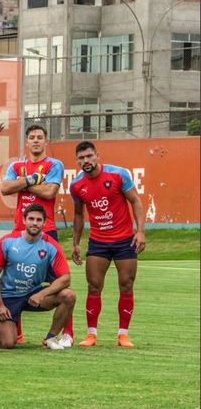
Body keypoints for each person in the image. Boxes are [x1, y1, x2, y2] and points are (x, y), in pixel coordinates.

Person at [0, 124, 73, 347]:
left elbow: (50, 192)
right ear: (26, 141)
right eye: (32, 137)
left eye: (40, 137)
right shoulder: (16, 165)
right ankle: (17, 333)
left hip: (46, 229)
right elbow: (4, 188)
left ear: (46, 141)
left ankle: (67, 333)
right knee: (14, 282)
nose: (36, 141)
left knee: (59, 284)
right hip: (18, 231)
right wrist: (33, 180)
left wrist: (22, 184)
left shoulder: (54, 164)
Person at [70, 141, 145, 348]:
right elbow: (78, 215)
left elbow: (135, 201)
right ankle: (91, 335)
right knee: (93, 287)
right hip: (98, 242)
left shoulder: (118, 175)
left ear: (97, 155)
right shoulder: (76, 185)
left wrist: (140, 231)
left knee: (126, 285)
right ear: (77, 161)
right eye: (81, 158)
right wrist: (75, 243)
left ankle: (123, 335)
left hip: (124, 240)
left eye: (89, 156)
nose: (86, 161)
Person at [0, 204, 76, 350]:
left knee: (69, 295)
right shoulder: (7, 242)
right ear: (24, 220)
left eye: (38, 220)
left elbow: (65, 278)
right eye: (31, 219)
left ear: (44, 223)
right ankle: (4, 332)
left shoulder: (51, 245)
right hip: (9, 296)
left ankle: (51, 338)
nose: (34, 223)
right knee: (7, 344)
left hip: (33, 293)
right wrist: (0, 305)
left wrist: (42, 294)